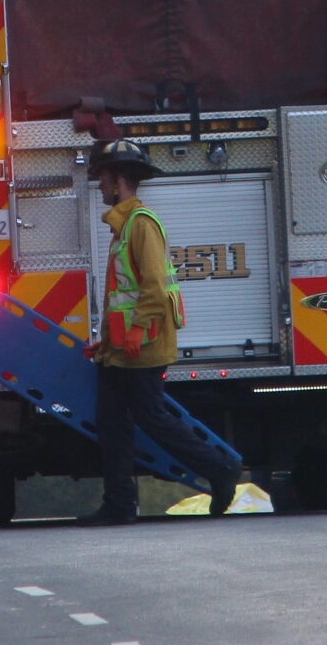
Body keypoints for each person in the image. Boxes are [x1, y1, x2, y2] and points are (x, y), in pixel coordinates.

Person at [78, 140, 240, 526]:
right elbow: (126, 293)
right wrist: (113, 339)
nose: (99, 186)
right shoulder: (124, 226)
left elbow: (152, 288)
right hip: (124, 347)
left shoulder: (141, 225)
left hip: (143, 345)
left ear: (118, 181)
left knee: (150, 416)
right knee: (112, 422)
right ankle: (118, 504)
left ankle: (220, 470)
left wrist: (133, 333)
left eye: (102, 178)